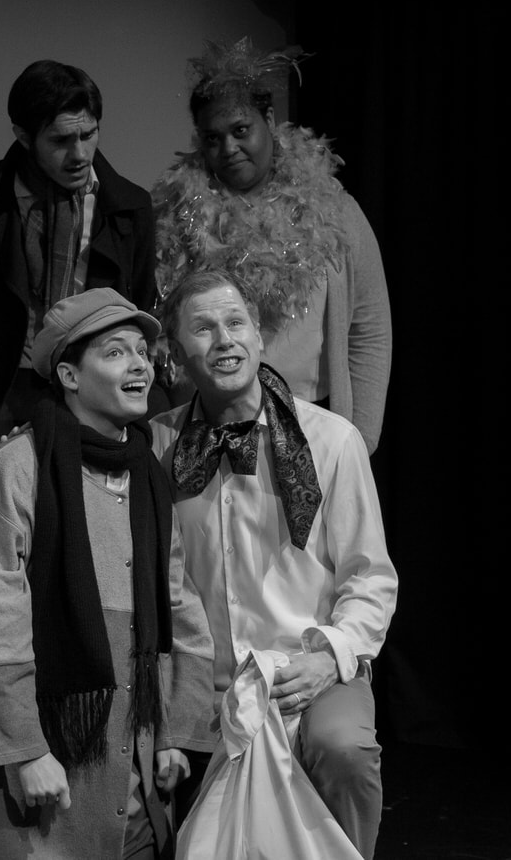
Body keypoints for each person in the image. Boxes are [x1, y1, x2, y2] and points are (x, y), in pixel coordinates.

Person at [0, 288, 212, 859]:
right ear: (68, 374)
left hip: (131, 777)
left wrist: (177, 730)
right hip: (42, 777)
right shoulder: (14, 472)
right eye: (115, 352)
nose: (139, 365)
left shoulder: (149, 478)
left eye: (143, 351)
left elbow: (179, 606)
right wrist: (24, 751)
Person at [151, 269, 397, 858]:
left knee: (344, 749)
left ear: (260, 335)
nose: (225, 340)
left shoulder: (330, 441)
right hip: (204, 677)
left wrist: (329, 659)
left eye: (236, 323)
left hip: (304, 664)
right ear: (177, 353)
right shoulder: (159, 448)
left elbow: (371, 576)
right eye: (204, 329)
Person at [0, 60, 160, 508]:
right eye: (61, 140)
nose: (80, 154)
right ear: (24, 137)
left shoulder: (128, 208)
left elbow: (139, 310)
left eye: (89, 135)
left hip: (88, 391)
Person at [151, 39, 392, 454]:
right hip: (208, 428)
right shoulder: (176, 220)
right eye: (212, 138)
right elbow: (159, 332)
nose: (228, 149)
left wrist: (361, 439)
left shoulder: (336, 211)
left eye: (240, 130)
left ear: (269, 118)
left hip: (313, 424)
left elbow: (369, 329)